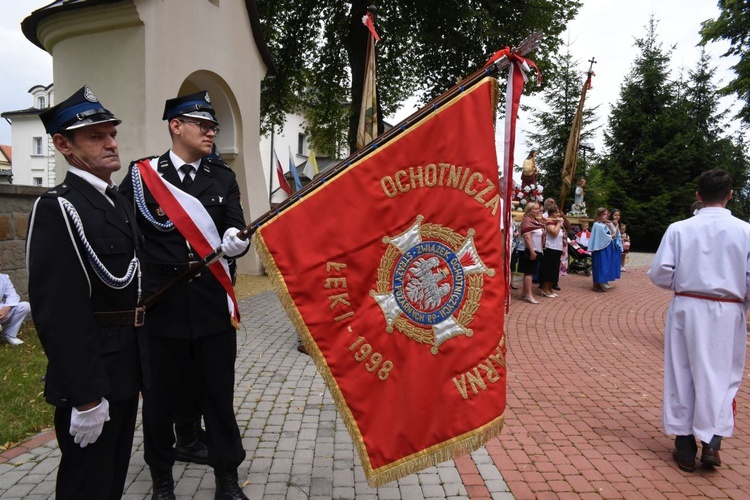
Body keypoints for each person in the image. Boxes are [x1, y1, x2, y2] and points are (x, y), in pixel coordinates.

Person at [120, 90, 250, 500]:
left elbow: (238, 229)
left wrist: (235, 242)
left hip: (211, 306)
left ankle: (227, 480)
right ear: (176, 126)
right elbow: (126, 237)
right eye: (203, 124)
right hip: (162, 306)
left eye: (214, 125)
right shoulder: (143, 177)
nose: (212, 131)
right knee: (159, 402)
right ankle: (162, 481)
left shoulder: (223, 177)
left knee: (218, 397)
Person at [28, 85, 148, 499]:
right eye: (96, 136)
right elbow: (58, 313)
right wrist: (85, 397)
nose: (112, 143)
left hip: (124, 365)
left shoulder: (115, 201)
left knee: (112, 477)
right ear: (63, 145)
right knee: (87, 483)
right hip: (92, 373)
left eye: (111, 133)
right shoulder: (59, 207)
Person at [648, 169, 750, 473]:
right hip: (728, 309)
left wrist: (688, 281)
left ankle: (684, 444)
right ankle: (712, 442)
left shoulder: (679, 229)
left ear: (698, 195)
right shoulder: (745, 231)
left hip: (688, 306)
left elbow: (660, 272)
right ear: (730, 195)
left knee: (682, 372)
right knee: (721, 375)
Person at [517, 202, 545, 304]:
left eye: (538, 209)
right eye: (535, 209)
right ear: (529, 211)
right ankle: (529, 295)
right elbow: (527, 238)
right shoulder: (527, 222)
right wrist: (532, 252)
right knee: (529, 273)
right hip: (528, 251)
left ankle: (524, 293)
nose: (538, 211)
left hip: (536, 250)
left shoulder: (535, 221)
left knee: (531, 273)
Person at [588, 207, 620, 292]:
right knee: (599, 265)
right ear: (600, 215)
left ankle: (601, 283)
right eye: (605, 214)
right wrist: (611, 236)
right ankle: (596, 285)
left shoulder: (603, 224)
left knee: (604, 266)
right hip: (600, 248)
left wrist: (610, 225)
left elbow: (613, 233)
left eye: (607, 214)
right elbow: (607, 236)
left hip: (605, 247)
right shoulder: (597, 225)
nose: (607, 216)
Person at [0, 264, 30, 345]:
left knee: (25, 306)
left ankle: (9, 334)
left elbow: (13, 295)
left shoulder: (4, 278)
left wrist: (6, 308)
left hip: (2, 310)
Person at [540, 206, 564, 298]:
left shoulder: (556, 223)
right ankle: (545, 289)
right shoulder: (549, 222)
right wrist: (558, 223)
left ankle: (550, 288)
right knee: (548, 269)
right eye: (556, 212)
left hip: (557, 248)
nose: (558, 214)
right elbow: (554, 233)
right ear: (551, 214)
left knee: (554, 270)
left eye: (558, 212)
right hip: (550, 248)